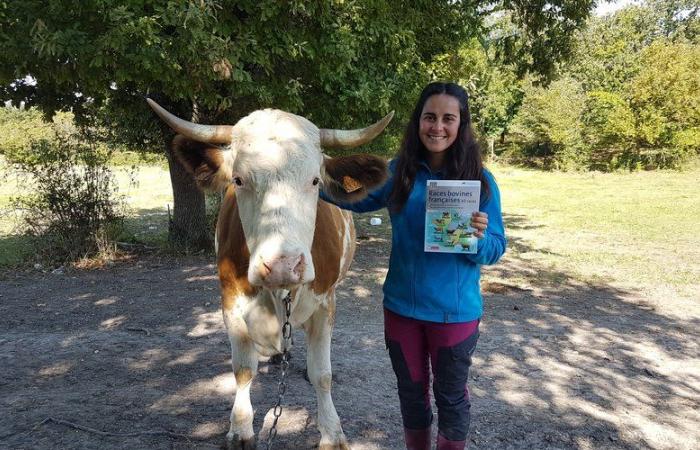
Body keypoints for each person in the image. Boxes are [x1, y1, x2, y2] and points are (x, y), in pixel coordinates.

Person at [321, 82, 507, 450]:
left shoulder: (481, 183)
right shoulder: (396, 174)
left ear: (461, 125)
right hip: (402, 310)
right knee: (411, 396)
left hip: (455, 315)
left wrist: (479, 239)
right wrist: (305, 179)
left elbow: (495, 249)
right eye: (429, 117)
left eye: (448, 119)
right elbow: (351, 197)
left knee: (451, 400)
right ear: (418, 122)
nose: (437, 127)